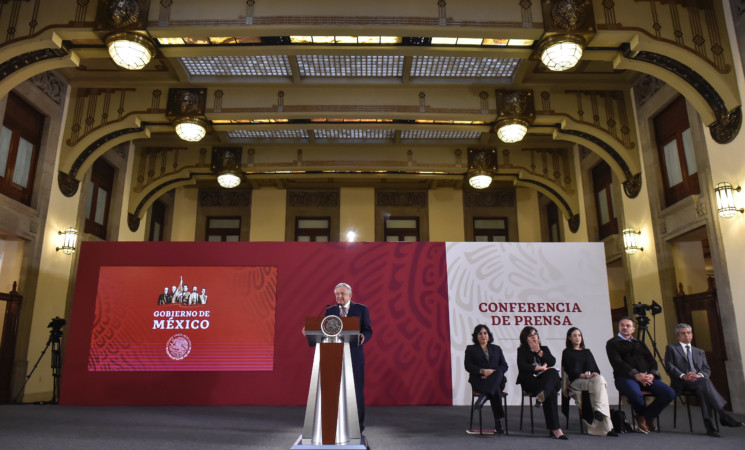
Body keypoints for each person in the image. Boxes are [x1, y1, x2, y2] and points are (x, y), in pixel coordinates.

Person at [664, 323, 744, 437]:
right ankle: (724, 416)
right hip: (682, 382)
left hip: (698, 382)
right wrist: (683, 375)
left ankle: (709, 426)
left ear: (692, 335)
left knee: (702, 388)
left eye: (689, 333)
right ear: (677, 336)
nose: (686, 335)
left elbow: (706, 368)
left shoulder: (699, 351)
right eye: (683, 333)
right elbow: (669, 366)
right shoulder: (672, 349)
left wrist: (698, 375)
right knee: (705, 383)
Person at [606, 316, 675, 434]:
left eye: (628, 326)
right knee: (636, 394)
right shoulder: (612, 343)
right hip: (625, 377)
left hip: (646, 377)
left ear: (633, 329)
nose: (625, 328)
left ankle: (645, 416)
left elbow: (652, 361)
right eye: (622, 325)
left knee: (669, 393)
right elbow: (618, 363)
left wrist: (652, 375)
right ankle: (645, 418)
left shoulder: (640, 344)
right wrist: (636, 375)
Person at [325, 282, 372, 431]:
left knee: (356, 393)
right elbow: (324, 330)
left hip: (354, 357)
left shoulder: (361, 309)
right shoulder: (329, 310)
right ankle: (337, 425)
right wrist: (311, 328)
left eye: (342, 294)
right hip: (335, 356)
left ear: (350, 295)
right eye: (337, 294)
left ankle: (358, 427)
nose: (339, 296)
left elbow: (368, 330)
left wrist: (363, 336)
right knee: (336, 393)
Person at [561, 327, 617, 437]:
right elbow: (571, 371)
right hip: (575, 382)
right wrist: (585, 376)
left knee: (600, 380)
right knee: (601, 387)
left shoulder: (587, 352)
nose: (578, 338)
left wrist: (594, 374)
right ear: (569, 338)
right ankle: (607, 427)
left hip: (588, 381)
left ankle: (599, 413)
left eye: (579, 335)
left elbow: (595, 369)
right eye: (575, 335)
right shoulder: (567, 352)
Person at [516, 326, 567, 440]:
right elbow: (522, 366)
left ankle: (542, 394)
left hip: (546, 380)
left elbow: (552, 361)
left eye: (535, 334)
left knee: (552, 371)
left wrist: (539, 351)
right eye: (530, 335)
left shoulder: (544, 349)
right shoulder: (522, 351)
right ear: (525, 338)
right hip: (532, 382)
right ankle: (556, 429)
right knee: (551, 392)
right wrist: (538, 368)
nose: (534, 336)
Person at [464, 324, 508, 434]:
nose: (483, 335)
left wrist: (492, 374)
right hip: (480, 381)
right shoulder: (471, 349)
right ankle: (499, 422)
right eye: (480, 333)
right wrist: (483, 371)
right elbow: (468, 366)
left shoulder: (497, 349)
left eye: (485, 333)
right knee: (496, 390)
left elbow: (504, 366)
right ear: (476, 336)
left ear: (489, 335)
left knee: (498, 372)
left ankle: (483, 397)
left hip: (495, 379)